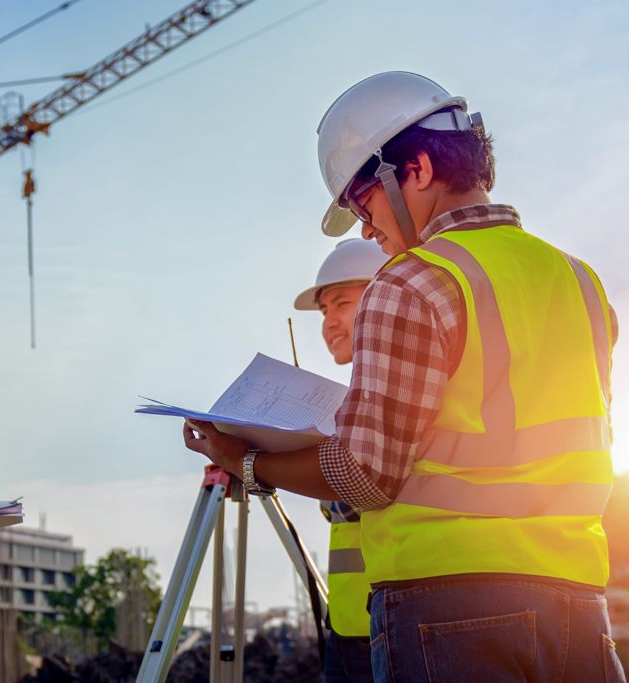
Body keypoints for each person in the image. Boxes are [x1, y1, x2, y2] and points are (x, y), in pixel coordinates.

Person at [183, 72, 625, 682]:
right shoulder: (582, 282)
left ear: (413, 169)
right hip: (578, 603)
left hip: (450, 607)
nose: (367, 230)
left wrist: (246, 461)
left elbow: (365, 473)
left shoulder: (411, 281)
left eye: (363, 205)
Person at [293, 238, 388, 683]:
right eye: (324, 311)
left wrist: (257, 461)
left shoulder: (393, 397)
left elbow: (364, 489)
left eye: (342, 304)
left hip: (393, 627)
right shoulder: (345, 408)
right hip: (348, 627)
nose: (329, 322)